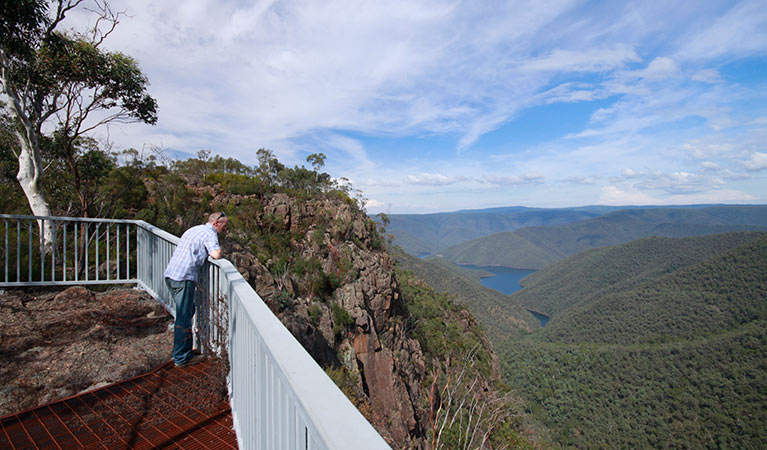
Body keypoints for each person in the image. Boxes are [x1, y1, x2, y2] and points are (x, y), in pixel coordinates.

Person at [164, 212, 228, 367]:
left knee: (188, 311)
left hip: (171, 275)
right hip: (183, 278)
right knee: (183, 318)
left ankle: (184, 349)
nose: (225, 229)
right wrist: (220, 251)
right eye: (224, 226)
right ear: (216, 223)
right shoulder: (209, 233)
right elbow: (216, 254)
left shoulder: (195, 229)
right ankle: (181, 357)